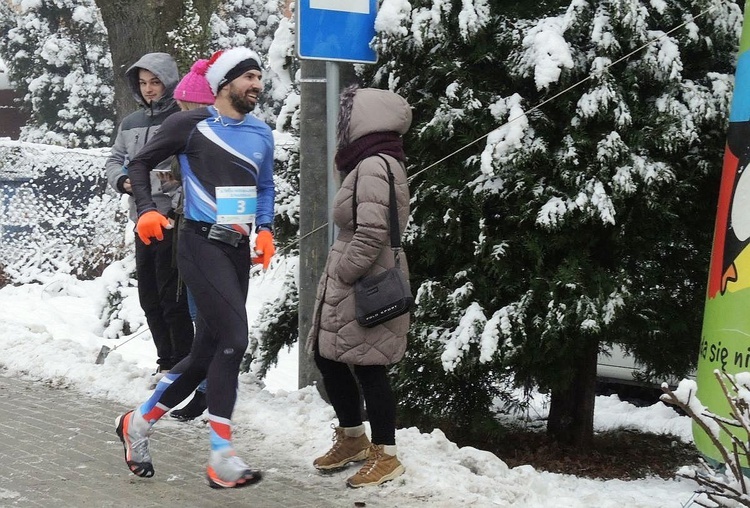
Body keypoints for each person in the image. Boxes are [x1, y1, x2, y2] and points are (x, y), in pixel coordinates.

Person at [114, 47, 276, 489]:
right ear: (224, 85)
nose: (256, 85)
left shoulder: (261, 132)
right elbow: (140, 161)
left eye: (259, 77)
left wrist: (265, 229)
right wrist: (146, 208)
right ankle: (221, 455)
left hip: (236, 250)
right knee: (234, 339)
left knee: (205, 354)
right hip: (198, 243)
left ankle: (138, 424)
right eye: (248, 77)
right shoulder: (191, 124)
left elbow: (264, 187)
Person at [307, 85, 412, 488]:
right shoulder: (375, 161)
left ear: (362, 121)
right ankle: (352, 437)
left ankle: (386, 454)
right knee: (329, 357)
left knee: (371, 368)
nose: (342, 127)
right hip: (356, 276)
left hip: (364, 277)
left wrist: (346, 273)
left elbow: (371, 232)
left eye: (347, 118)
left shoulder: (374, 165)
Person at [104, 53, 194, 388]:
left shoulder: (181, 117)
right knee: (150, 296)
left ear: (170, 81)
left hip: (172, 217)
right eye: (142, 83)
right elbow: (115, 159)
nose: (149, 89)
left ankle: (182, 363)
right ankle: (165, 360)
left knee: (173, 296)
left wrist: (167, 196)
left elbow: (187, 167)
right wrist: (122, 181)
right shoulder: (130, 122)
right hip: (141, 216)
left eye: (155, 82)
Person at [161, 58, 217, 422]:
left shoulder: (213, 138)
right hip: (194, 235)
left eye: (184, 107)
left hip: (212, 240)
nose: (179, 112)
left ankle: (207, 391)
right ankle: (202, 388)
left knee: (210, 320)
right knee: (200, 316)